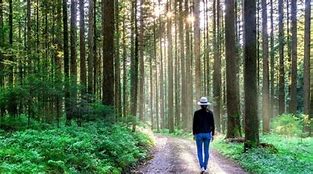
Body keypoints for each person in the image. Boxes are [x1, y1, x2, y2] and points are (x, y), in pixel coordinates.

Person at [193, 97, 215, 173]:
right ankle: (205, 167)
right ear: (207, 105)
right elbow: (213, 125)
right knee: (206, 151)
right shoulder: (210, 113)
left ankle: (202, 167)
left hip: (198, 134)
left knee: (199, 151)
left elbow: (194, 125)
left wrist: (194, 134)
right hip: (207, 134)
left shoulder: (196, 113)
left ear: (200, 105)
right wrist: (213, 134)